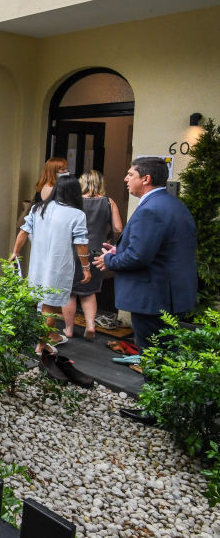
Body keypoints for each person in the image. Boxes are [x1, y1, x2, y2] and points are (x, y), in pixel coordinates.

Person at [94, 157, 197, 424]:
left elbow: (139, 258)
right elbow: (158, 249)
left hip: (152, 295)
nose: (126, 179)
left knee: (153, 353)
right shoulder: (173, 204)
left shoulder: (151, 209)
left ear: (146, 179)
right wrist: (122, 250)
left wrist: (109, 260)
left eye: (130, 174)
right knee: (165, 351)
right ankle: (169, 405)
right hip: (169, 293)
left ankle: (158, 411)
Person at [10, 175, 91, 354]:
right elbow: (81, 244)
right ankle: (41, 345)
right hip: (58, 268)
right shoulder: (77, 214)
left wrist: (15, 252)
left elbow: (23, 232)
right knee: (49, 307)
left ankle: (49, 337)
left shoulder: (39, 208)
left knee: (44, 304)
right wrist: (86, 268)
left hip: (37, 266)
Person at [60, 170, 124, 341]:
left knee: (70, 292)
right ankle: (90, 326)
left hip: (72, 251)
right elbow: (118, 228)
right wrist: (110, 240)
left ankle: (69, 329)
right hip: (96, 251)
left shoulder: (73, 202)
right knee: (89, 291)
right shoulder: (109, 202)